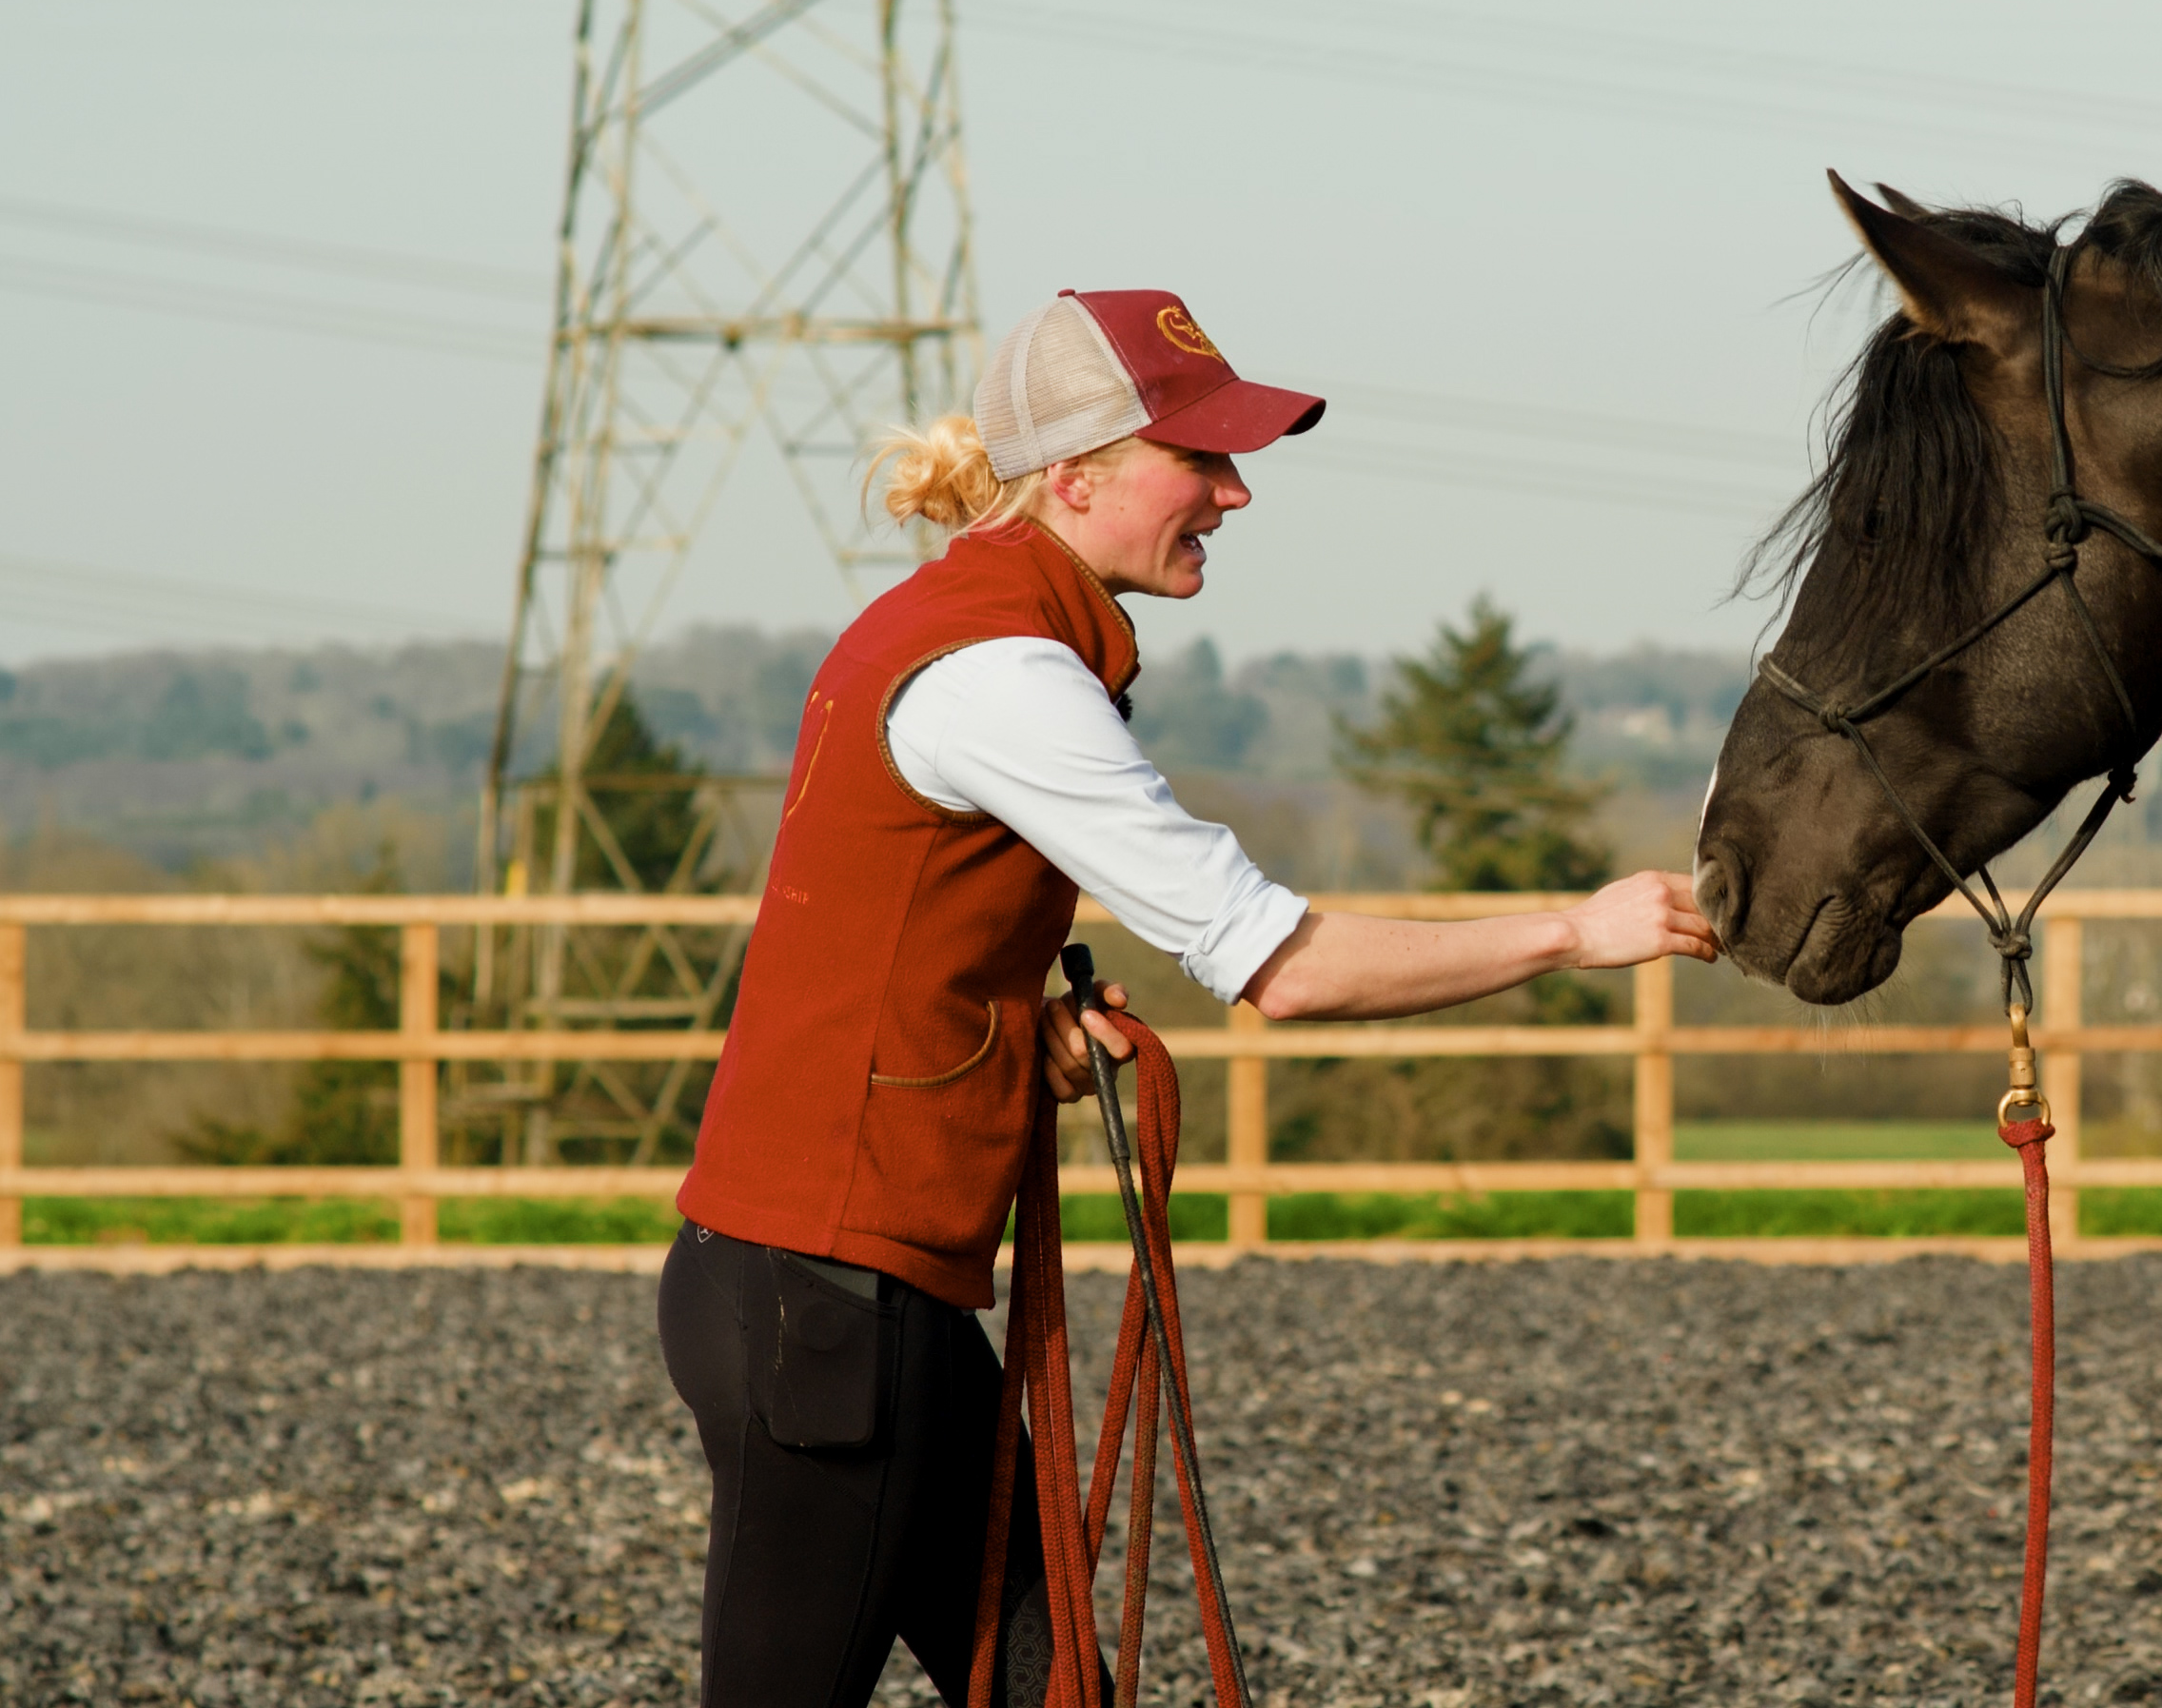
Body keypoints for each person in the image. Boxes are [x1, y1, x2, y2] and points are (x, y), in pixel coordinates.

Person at [655, 287, 1716, 1705]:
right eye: (1199, 462)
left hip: (820, 1287)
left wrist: (1006, 1038)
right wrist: (1573, 935)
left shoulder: (954, 628)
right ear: (1080, 477)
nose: (1234, 492)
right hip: (832, 1306)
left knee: (1053, 1685)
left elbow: (890, 944)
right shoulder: (1008, 674)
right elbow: (1282, 966)